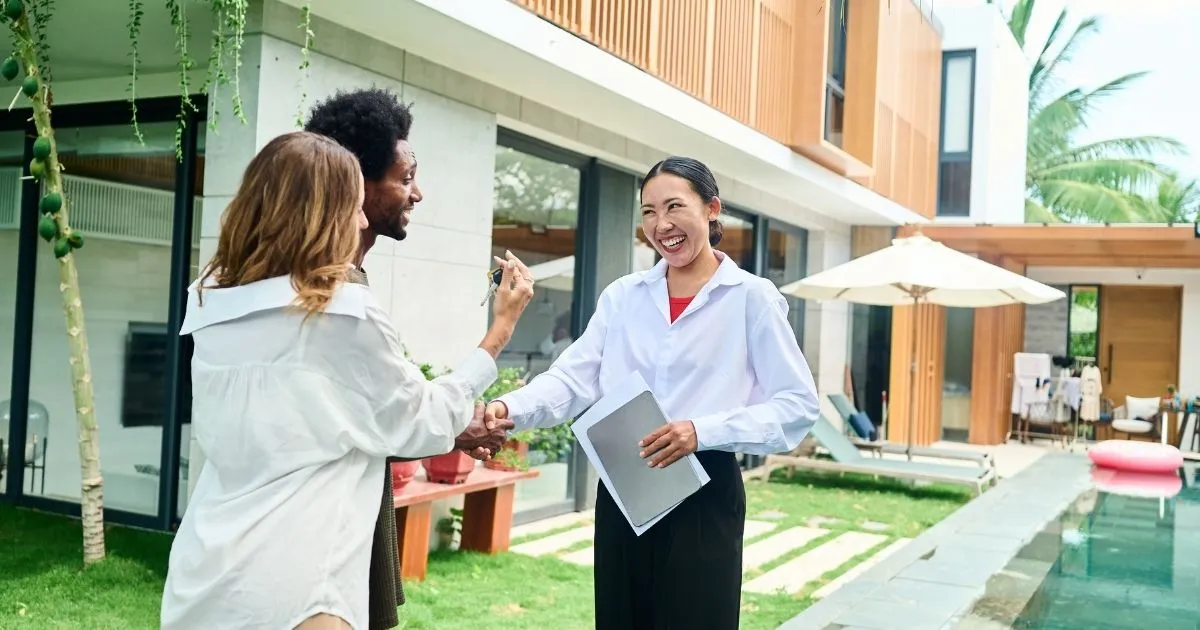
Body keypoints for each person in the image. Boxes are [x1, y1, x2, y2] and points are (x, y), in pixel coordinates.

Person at [160, 131, 536, 630]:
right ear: (322, 214)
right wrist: (501, 328)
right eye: (352, 206)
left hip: (205, 564)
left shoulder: (211, 302)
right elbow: (420, 418)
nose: (361, 221)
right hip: (300, 578)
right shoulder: (341, 314)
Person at [487, 156, 820, 629]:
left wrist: (700, 432)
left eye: (674, 207)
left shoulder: (752, 297)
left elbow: (797, 406)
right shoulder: (623, 297)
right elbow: (572, 379)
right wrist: (507, 408)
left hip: (704, 493)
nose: (661, 225)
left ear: (712, 209)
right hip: (625, 491)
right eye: (648, 211)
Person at [304, 87, 506, 629]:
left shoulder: (336, 288)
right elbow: (402, 417)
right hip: (319, 543)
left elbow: (369, 415)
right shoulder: (336, 301)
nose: (418, 193)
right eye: (406, 177)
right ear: (357, 184)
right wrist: (501, 329)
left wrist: (452, 430)